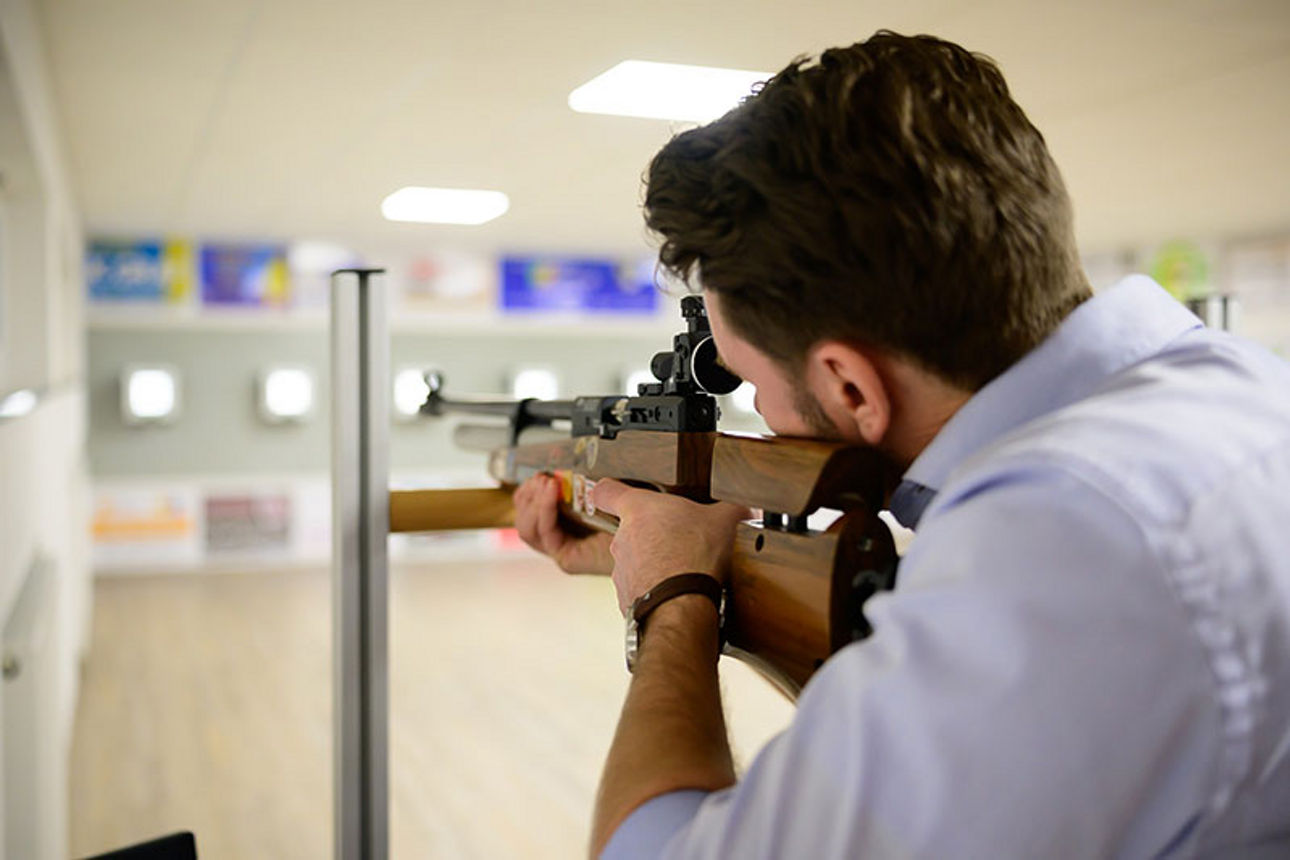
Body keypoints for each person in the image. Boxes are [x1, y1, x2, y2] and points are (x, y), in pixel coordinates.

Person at [512, 31, 1290, 858]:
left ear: (851, 387)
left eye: (746, 380)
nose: (759, 414)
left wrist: (674, 601)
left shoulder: (1062, 540)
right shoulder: (1238, 386)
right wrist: (659, 555)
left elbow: (651, 850)